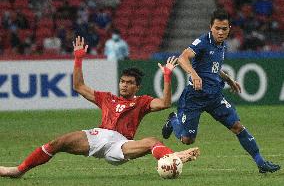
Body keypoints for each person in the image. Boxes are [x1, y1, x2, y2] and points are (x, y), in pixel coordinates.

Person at [0, 36, 200, 178]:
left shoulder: (142, 102)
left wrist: (167, 76)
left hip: (120, 144)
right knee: (57, 142)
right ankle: (18, 170)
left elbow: (165, 103)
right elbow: (78, 86)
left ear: (137, 86)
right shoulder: (107, 99)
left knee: (151, 141)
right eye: (122, 81)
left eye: (130, 82)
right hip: (98, 136)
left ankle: (173, 157)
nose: (124, 85)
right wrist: (78, 58)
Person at [161, 9, 280, 173]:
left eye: (224, 28)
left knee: (238, 127)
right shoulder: (203, 41)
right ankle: (173, 120)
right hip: (194, 97)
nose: (221, 32)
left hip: (215, 97)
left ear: (229, 28)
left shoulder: (222, 46)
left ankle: (261, 163)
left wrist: (229, 79)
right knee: (187, 140)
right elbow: (183, 57)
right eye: (217, 28)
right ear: (211, 27)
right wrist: (194, 74)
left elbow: (214, 68)